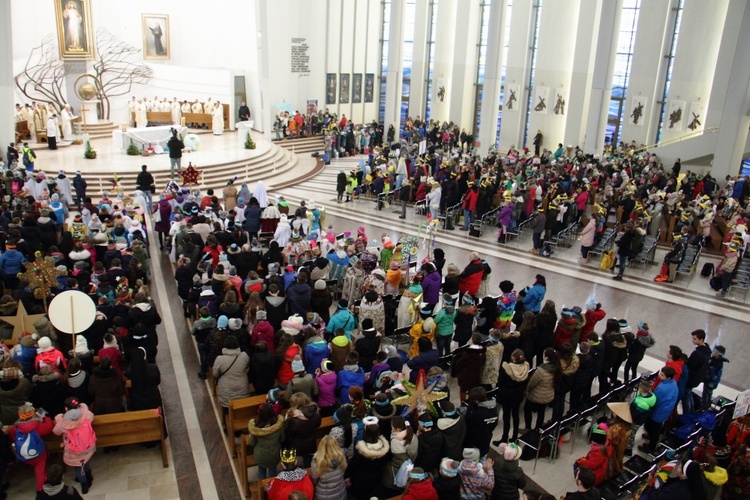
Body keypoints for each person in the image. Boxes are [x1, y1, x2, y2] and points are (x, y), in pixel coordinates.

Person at [7, 403, 55, 493]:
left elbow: (12, 435)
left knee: (34, 466)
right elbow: (49, 427)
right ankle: (40, 490)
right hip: (39, 454)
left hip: (24, 456)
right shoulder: (37, 426)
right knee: (40, 471)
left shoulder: (15, 428)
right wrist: (45, 418)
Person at [52, 398, 96, 494]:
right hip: (87, 445)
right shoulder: (86, 414)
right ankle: (89, 476)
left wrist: (60, 418)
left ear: (66, 409)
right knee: (85, 460)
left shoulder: (63, 423)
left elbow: (56, 432)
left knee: (78, 467)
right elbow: (91, 417)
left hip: (75, 449)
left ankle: (84, 486)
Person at [344, 418, 390, 500]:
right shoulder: (385, 449)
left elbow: (352, 465)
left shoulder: (361, 451)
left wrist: (346, 476)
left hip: (361, 481)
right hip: (377, 480)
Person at [639, 366, 679, 454]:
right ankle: (651, 437)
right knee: (654, 427)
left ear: (668, 377)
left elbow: (655, 401)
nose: (660, 375)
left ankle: (651, 447)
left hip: (658, 412)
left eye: (662, 375)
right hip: (665, 411)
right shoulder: (673, 383)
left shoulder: (662, 388)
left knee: (654, 429)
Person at [248, 403, 285, 479]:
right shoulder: (278, 426)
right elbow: (282, 439)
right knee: (273, 472)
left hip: (261, 455)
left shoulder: (256, 429)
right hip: (274, 454)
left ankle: (262, 487)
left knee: (261, 471)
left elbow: (252, 442)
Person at [311, 435, 347, 500]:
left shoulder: (316, 461)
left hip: (323, 495)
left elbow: (314, 478)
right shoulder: (342, 456)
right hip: (340, 492)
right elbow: (344, 469)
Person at [684, 329, 711, 414]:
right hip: (698, 378)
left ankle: (687, 413)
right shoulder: (707, 349)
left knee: (686, 396)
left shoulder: (697, 353)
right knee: (689, 394)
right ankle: (691, 411)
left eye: (695, 339)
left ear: (701, 339)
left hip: (691, 378)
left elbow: (690, 366)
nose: (693, 340)